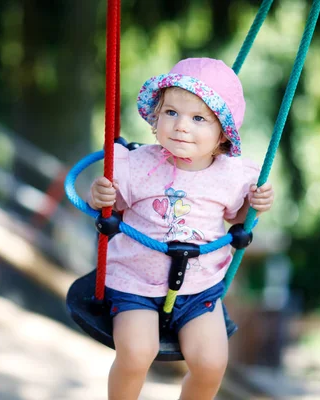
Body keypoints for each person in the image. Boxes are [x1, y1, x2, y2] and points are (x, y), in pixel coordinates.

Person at [88, 58, 275, 400]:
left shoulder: (232, 175)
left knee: (212, 362)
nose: (181, 126)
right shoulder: (136, 163)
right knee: (135, 353)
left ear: (222, 136)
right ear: (156, 116)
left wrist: (256, 206)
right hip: (134, 285)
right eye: (171, 112)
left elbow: (239, 220)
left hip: (199, 289)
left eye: (198, 118)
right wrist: (101, 193)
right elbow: (108, 204)